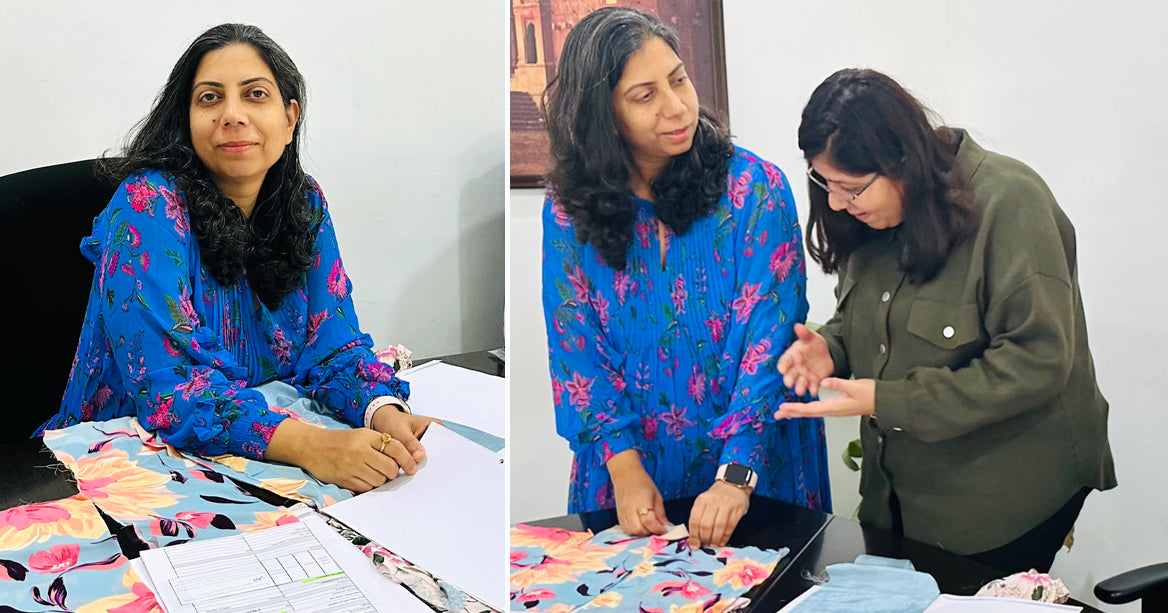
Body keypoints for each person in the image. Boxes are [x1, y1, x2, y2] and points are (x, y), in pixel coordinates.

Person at [37, 23, 433, 493]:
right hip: (129, 462)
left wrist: (382, 412)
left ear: (289, 118)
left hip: (260, 452)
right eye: (209, 98)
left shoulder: (304, 204)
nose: (232, 114)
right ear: (185, 119)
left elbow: (334, 345)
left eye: (255, 94)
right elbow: (172, 391)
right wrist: (312, 446)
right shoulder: (148, 206)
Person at [775, 68, 1116, 573]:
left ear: (902, 162)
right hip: (903, 494)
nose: (834, 202)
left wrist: (889, 401)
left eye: (850, 187)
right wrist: (830, 347)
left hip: (1004, 493)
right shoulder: (870, 217)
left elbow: (1037, 361)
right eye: (824, 183)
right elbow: (874, 317)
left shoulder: (1009, 203)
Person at [541, 7, 830, 549]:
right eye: (645, 95)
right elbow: (574, 348)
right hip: (629, 467)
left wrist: (736, 475)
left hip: (756, 462)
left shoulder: (754, 190)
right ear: (603, 116)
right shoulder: (567, 211)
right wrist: (623, 468)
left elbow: (770, 340)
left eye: (679, 80)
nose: (677, 108)